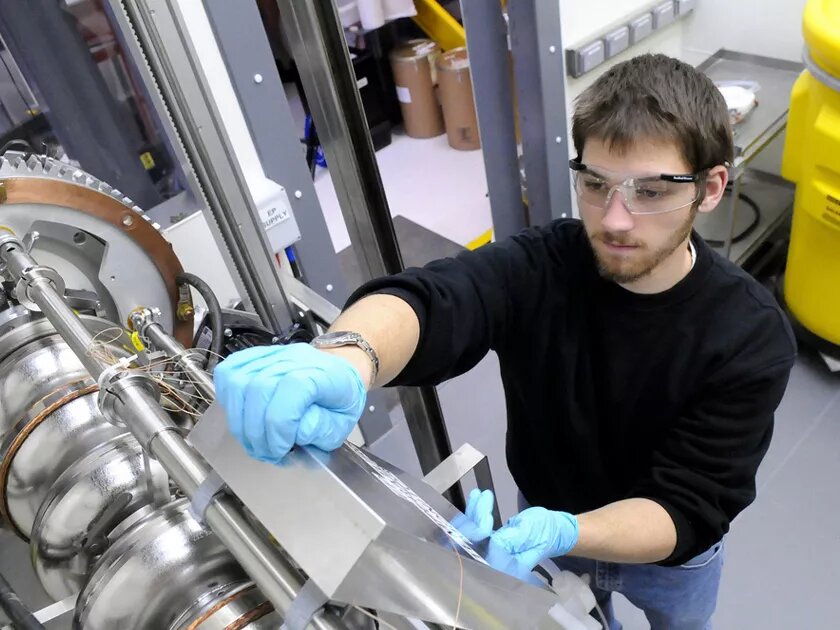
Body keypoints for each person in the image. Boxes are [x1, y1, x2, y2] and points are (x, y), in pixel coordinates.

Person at [214, 53, 796, 630]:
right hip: (545, 521)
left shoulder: (749, 335)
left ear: (711, 187)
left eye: (650, 192)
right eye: (595, 184)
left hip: (666, 558)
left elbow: (687, 504)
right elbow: (442, 298)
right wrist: (348, 357)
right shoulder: (544, 264)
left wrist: (570, 529)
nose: (615, 219)